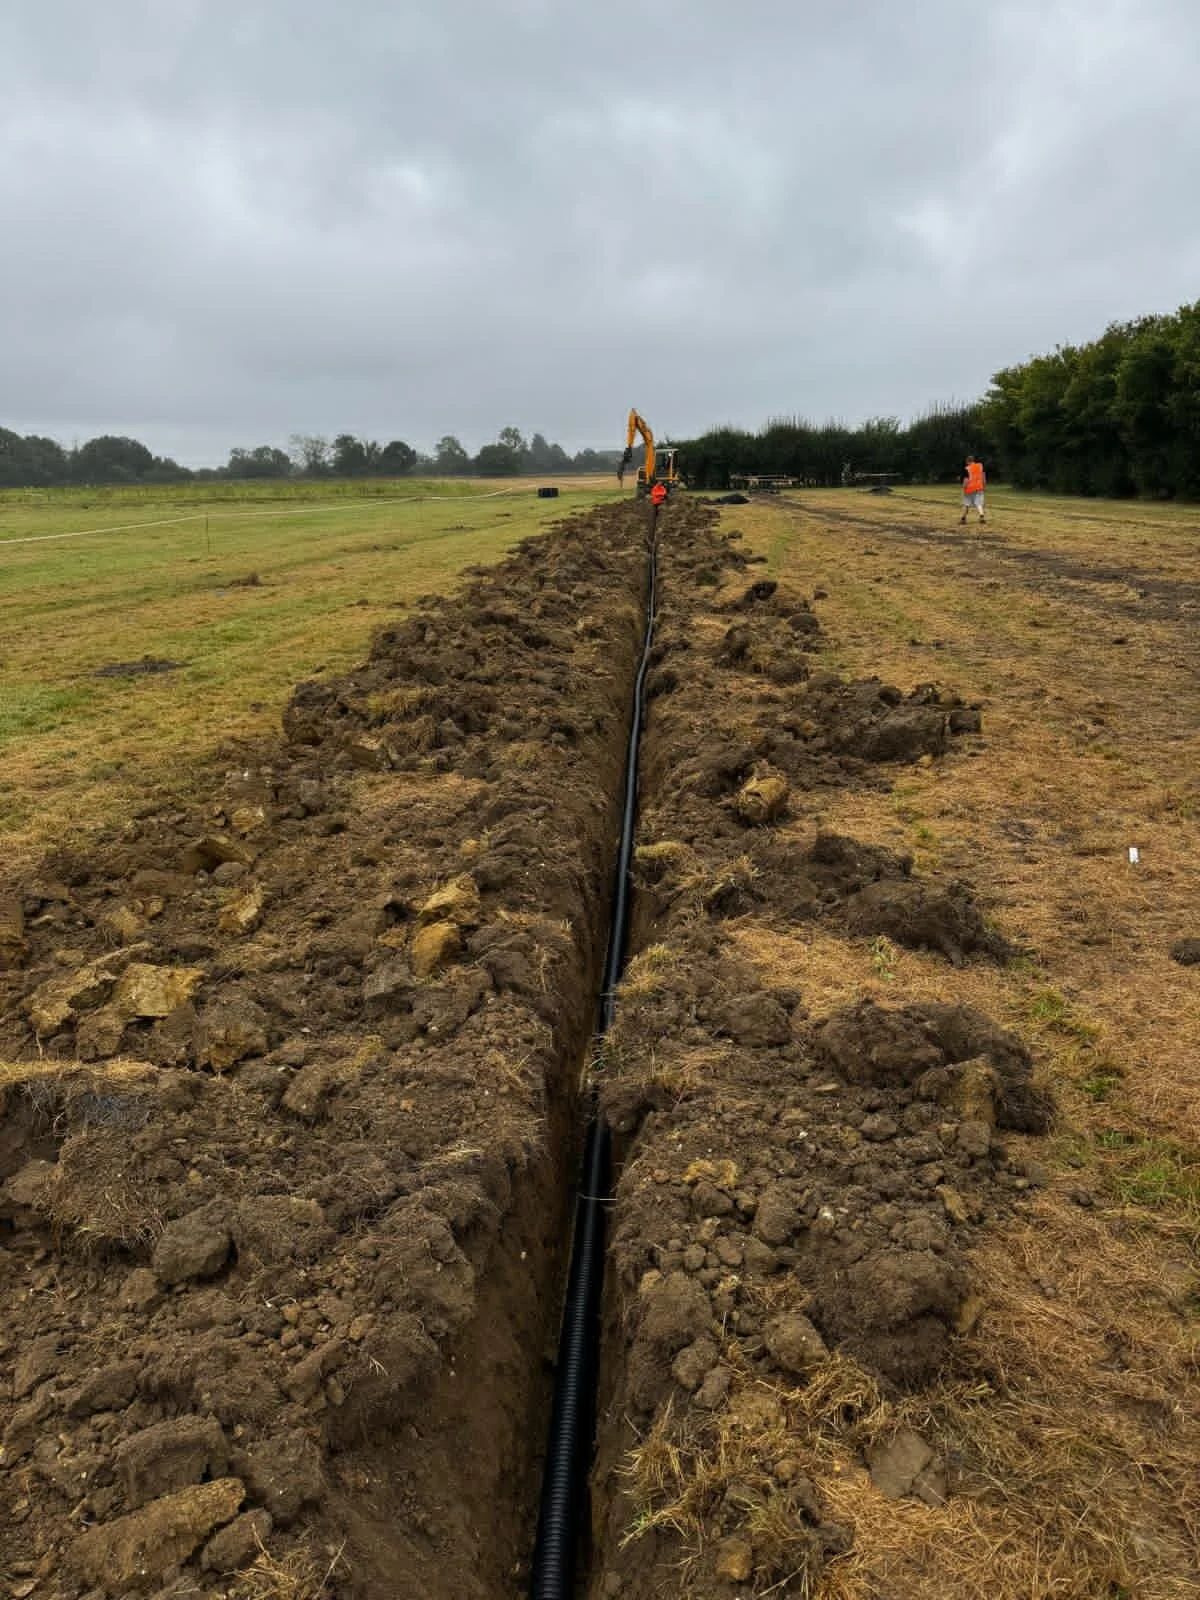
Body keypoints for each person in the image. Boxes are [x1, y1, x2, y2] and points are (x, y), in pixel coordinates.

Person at [960, 457, 986, 524]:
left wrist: (963, 488)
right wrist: (984, 486)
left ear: (967, 461)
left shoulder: (967, 469)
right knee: (979, 504)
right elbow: (983, 477)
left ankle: (963, 519)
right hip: (979, 487)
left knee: (966, 504)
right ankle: (981, 516)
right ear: (973, 460)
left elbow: (966, 480)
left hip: (969, 489)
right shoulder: (980, 466)